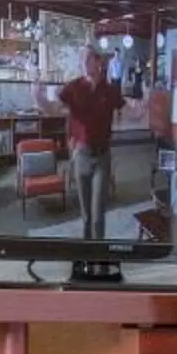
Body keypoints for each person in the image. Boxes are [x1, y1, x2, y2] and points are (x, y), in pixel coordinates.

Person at [57, 46, 124, 242]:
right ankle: (87, 252)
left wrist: (143, 108)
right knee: (86, 217)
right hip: (81, 156)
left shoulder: (109, 90)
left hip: (102, 157)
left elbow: (127, 110)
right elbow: (54, 107)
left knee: (97, 217)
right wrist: (40, 98)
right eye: (81, 59)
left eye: (87, 58)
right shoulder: (73, 87)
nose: (83, 63)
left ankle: (99, 254)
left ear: (98, 62)